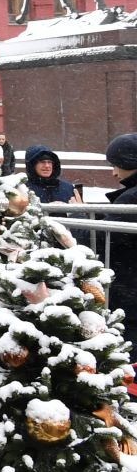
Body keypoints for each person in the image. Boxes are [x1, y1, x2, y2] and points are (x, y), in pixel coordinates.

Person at [104, 133, 137, 330]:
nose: (114, 173)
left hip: (129, 296)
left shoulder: (131, 197)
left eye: (115, 165)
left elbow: (102, 238)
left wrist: (80, 216)